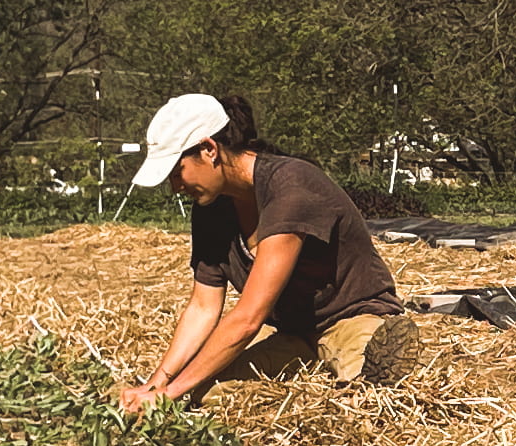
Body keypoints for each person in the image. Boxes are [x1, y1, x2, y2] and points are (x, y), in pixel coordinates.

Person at [116, 92, 419, 414]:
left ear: (209, 150)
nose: (175, 187)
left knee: (363, 386)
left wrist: (169, 392)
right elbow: (203, 308)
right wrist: (156, 385)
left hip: (349, 317)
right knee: (203, 391)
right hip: (289, 330)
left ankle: (373, 363)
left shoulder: (290, 187)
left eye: (178, 172)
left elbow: (248, 318)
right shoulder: (210, 209)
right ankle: (304, 388)